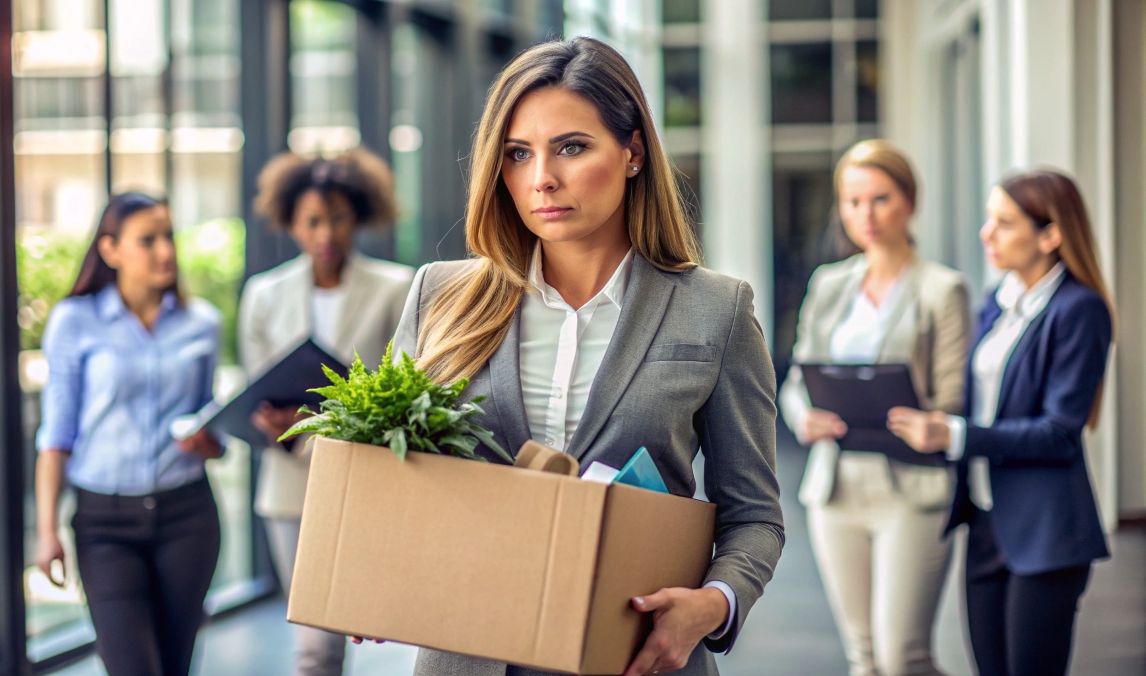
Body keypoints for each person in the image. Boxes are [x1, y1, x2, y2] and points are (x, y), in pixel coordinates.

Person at [389, 37, 783, 676]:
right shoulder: (441, 295)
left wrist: (714, 603)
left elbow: (755, 517)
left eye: (571, 147)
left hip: (635, 657)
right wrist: (376, 571)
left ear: (632, 154)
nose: (542, 177)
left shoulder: (717, 310)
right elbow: (393, 475)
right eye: (518, 154)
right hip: (469, 654)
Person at [889, 170, 1113, 676]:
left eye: (1004, 222)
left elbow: (1059, 432)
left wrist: (955, 435)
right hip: (987, 522)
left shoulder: (1080, 310)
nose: (986, 233)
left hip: (1045, 531)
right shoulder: (998, 299)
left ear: (1051, 234)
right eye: (990, 219)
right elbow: (982, 400)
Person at [779, 140, 971, 675]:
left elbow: (952, 399)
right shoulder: (830, 283)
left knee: (901, 656)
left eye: (880, 199)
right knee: (863, 657)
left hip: (910, 489)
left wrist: (928, 422)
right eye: (853, 201)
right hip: (836, 488)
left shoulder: (942, 289)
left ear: (910, 201)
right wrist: (802, 416)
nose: (865, 215)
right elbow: (797, 379)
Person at [239, 148, 414, 676]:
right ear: (290, 222)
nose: (327, 233)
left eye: (338, 218)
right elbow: (258, 394)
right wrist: (274, 425)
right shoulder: (264, 296)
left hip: (365, 483)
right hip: (290, 488)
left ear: (358, 216)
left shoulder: (396, 288)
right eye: (313, 220)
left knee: (343, 635)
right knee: (315, 646)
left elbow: (401, 392)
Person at [34, 193, 225, 676]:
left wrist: (207, 441)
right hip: (105, 524)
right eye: (148, 240)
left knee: (175, 665)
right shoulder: (74, 322)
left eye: (169, 237)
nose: (166, 251)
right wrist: (46, 531)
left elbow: (211, 432)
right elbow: (56, 434)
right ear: (111, 250)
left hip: (188, 517)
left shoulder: (202, 323)